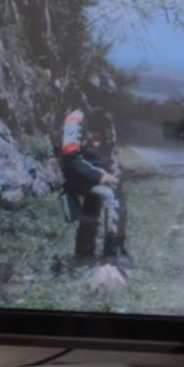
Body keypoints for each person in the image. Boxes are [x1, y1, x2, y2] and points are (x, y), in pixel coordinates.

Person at [58, 108, 130, 267]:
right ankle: (111, 253)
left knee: (104, 200)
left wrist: (116, 178)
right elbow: (71, 158)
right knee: (112, 197)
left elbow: (112, 155)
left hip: (96, 175)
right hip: (77, 176)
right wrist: (99, 176)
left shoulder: (107, 118)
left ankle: (84, 254)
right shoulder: (74, 119)